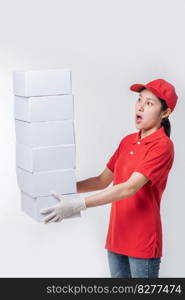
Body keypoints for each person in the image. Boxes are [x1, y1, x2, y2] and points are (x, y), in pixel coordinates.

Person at [40, 78, 178, 278]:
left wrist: (77, 204)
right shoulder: (127, 141)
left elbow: (128, 188)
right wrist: (64, 187)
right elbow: (102, 180)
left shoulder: (162, 146)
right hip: (116, 237)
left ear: (165, 113)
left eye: (149, 103)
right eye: (139, 100)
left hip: (143, 241)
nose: (140, 106)